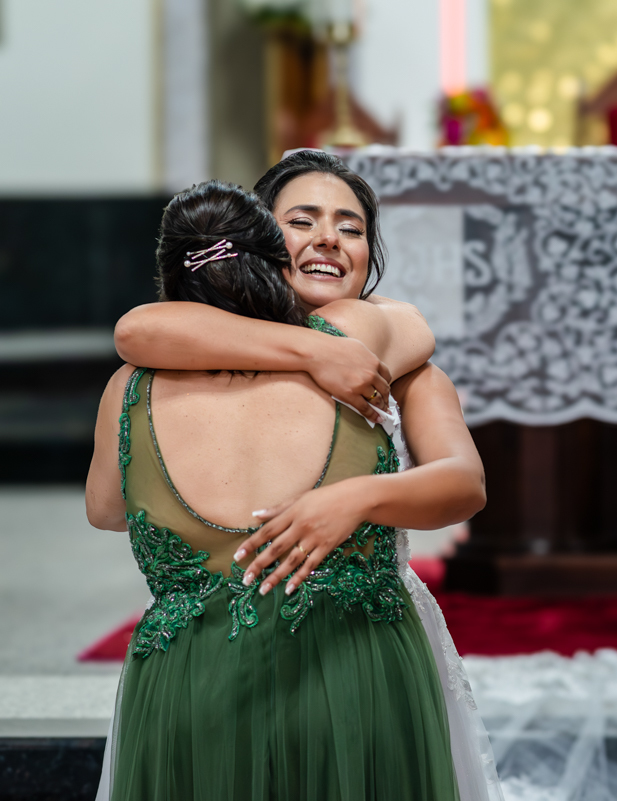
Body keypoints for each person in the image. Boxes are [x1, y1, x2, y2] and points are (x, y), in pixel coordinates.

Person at [86, 180, 487, 799]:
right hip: (332, 666)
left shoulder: (388, 354)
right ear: (269, 247)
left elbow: (106, 507)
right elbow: (138, 328)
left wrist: (354, 497)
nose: (329, 236)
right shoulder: (343, 345)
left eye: (351, 228)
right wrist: (308, 350)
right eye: (304, 221)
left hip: (308, 657)